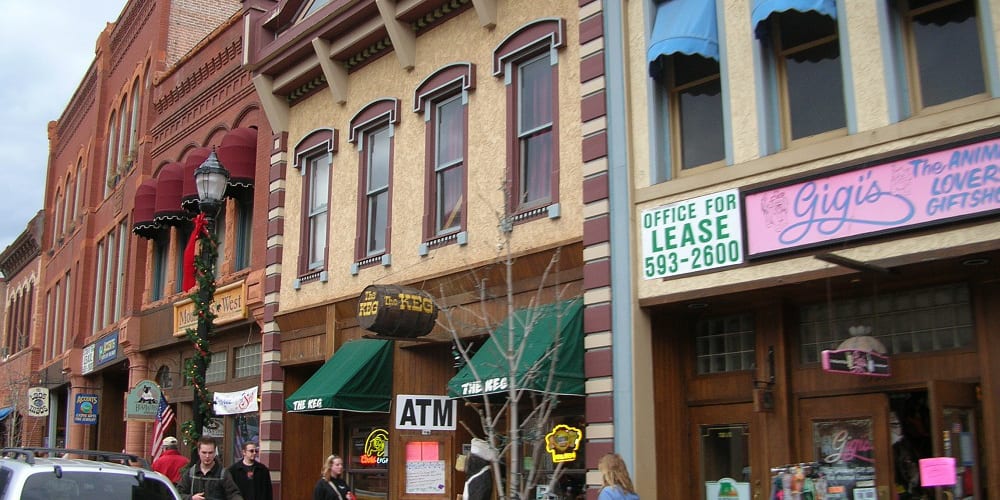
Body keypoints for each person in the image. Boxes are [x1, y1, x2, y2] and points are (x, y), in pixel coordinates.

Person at [177, 436, 245, 500]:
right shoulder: (190, 473)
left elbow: (234, 494)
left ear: (215, 452)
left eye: (210, 453)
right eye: (204, 452)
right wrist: (191, 498)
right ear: (198, 452)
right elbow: (178, 494)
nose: (207, 456)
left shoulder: (223, 474)